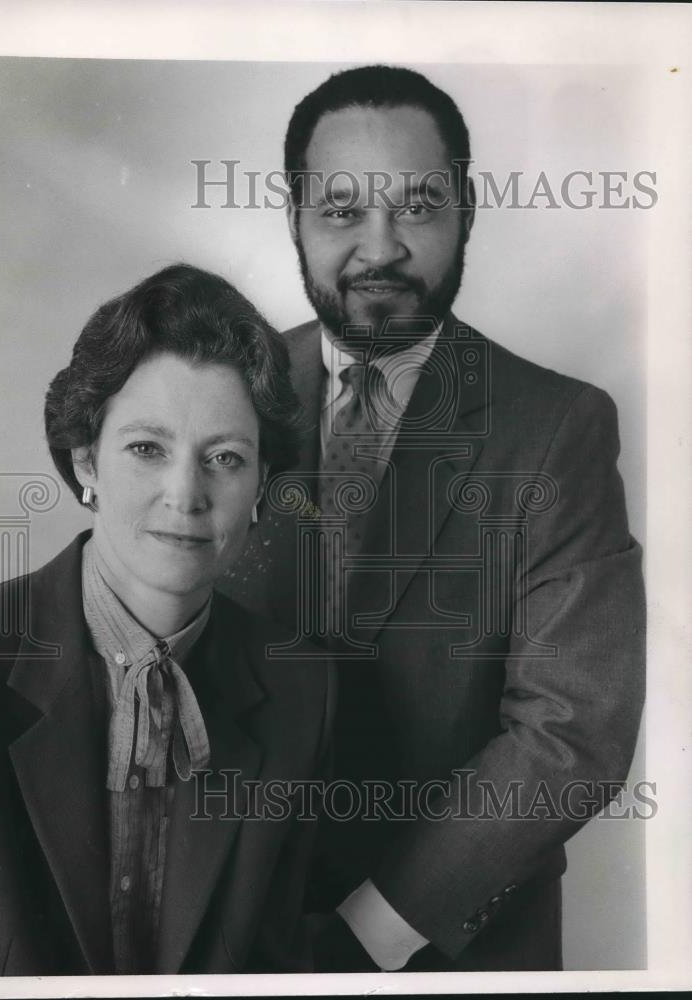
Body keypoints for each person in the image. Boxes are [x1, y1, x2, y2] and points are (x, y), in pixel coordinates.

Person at [219, 65, 646, 972]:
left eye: (416, 206)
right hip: (226, 930)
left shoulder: (558, 427)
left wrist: (363, 935)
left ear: (468, 212)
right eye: (341, 211)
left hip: (453, 955)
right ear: (292, 216)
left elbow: (573, 733)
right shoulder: (229, 396)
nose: (381, 250)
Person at [0, 264, 333, 976]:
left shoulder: (304, 687)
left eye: (225, 458)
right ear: (85, 463)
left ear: (261, 488)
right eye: (146, 449)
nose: (185, 494)